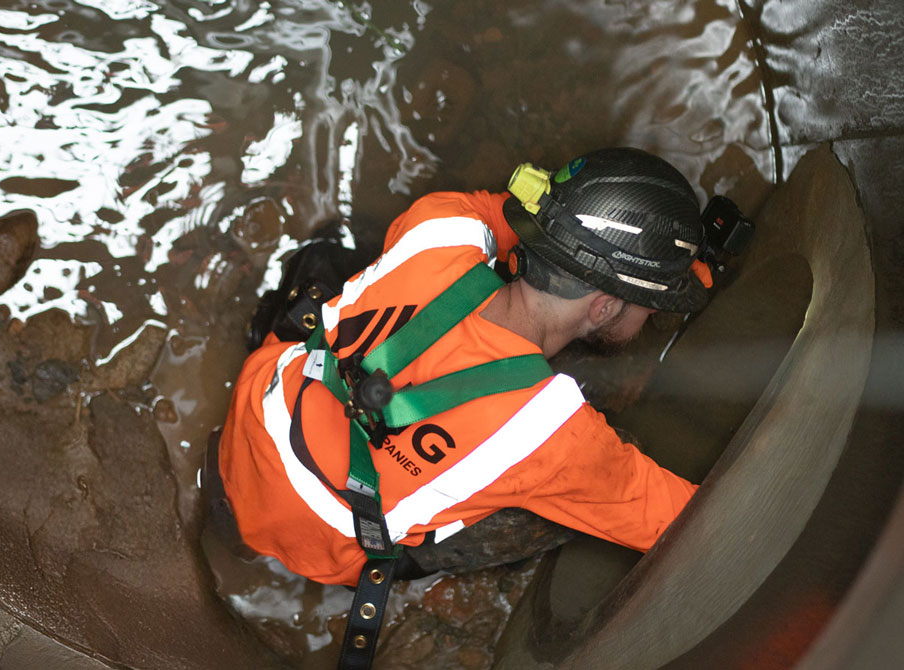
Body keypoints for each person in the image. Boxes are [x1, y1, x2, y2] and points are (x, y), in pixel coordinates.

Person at [209, 147, 716, 666]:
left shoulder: (441, 224)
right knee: (575, 494)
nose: (655, 314)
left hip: (252, 419)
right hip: (315, 546)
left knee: (341, 269)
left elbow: (504, 215)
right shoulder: (551, 434)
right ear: (605, 306)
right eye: (653, 307)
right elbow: (690, 523)